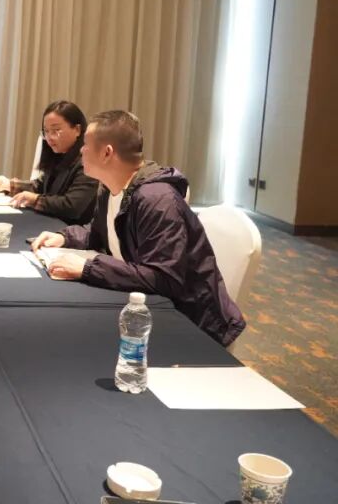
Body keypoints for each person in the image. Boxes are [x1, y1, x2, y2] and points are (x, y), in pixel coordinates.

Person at [31, 110, 246, 347]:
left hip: (189, 324)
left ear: (107, 153)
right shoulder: (110, 188)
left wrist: (88, 268)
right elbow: (100, 232)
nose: (81, 151)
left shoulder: (157, 200)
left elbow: (163, 277)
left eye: (86, 145)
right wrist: (64, 237)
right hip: (145, 309)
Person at [0, 100, 98, 223]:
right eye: (46, 131)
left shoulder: (87, 163)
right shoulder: (59, 155)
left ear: (77, 129)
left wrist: (36, 199)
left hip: (72, 229)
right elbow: (41, 186)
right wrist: (9, 186)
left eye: (56, 130)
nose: (49, 137)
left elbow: (72, 206)